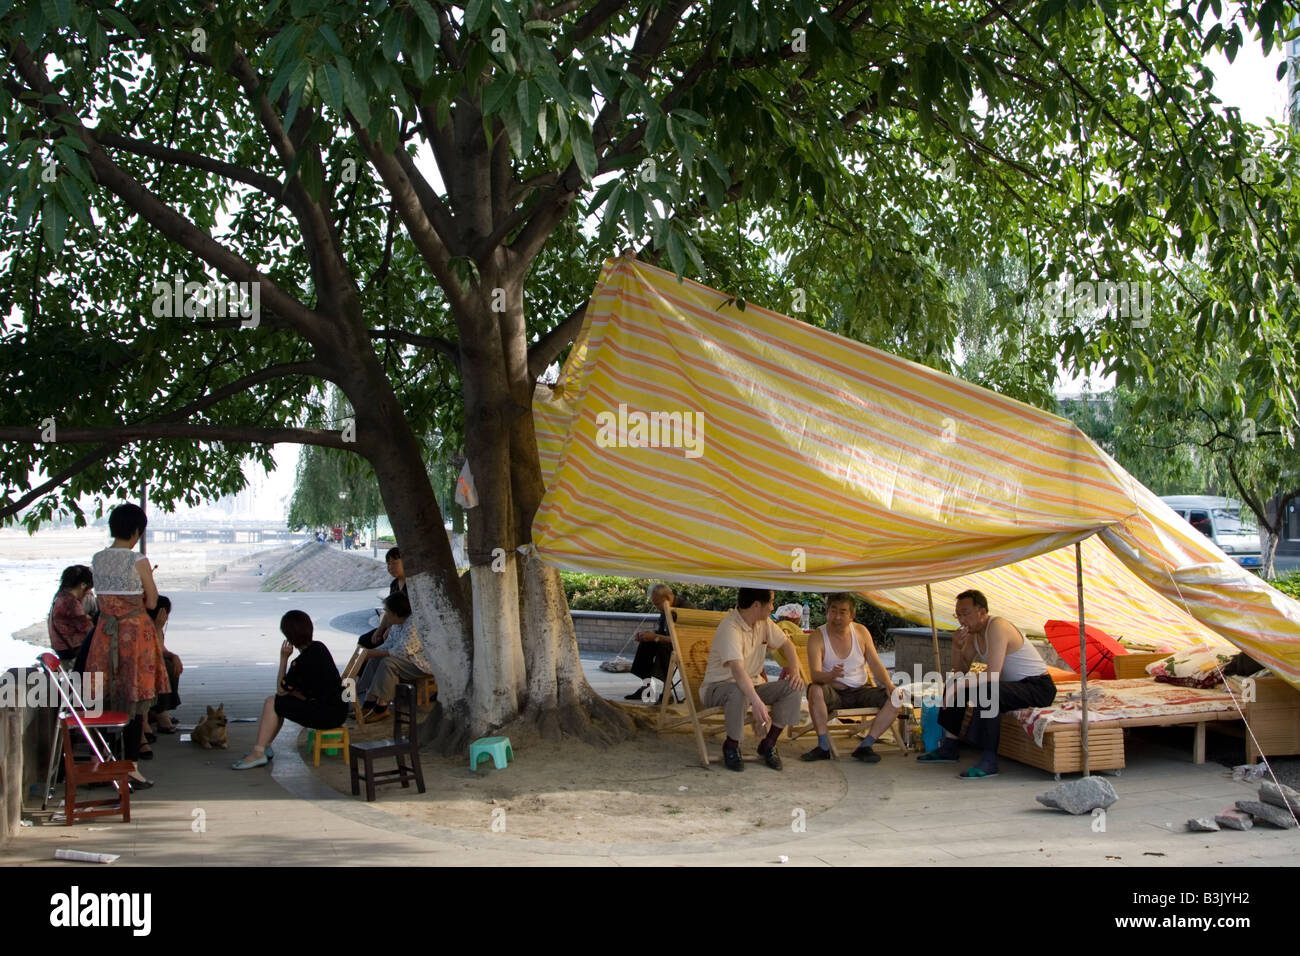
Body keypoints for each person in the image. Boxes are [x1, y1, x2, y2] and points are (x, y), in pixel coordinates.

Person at [917, 589, 1057, 779]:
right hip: (1010, 687)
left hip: (1038, 687)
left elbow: (992, 675)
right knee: (956, 682)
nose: (961, 620)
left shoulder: (997, 626)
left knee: (986, 690)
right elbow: (960, 671)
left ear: (982, 612)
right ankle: (949, 747)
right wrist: (956, 647)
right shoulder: (975, 635)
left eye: (965, 614)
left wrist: (961, 685)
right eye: (958, 615)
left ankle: (989, 760)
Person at [83, 503, 165, 789]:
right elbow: (153, 600)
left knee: (106, 698)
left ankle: (105, 762)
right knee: (134, 701)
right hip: (135, 635)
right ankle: (130, 768)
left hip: (104, 634)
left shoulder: (98, 558)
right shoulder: (138, 560)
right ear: (136, 531)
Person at [698, 587, 805, 771]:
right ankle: (731, 745)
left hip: (751, 686)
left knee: (794, 687)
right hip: (719, 687)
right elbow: (738, 671)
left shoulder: (764, 623)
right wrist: (756, 702)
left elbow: (788, 645)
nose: (772, 607)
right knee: (739, 690)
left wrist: (794, 671)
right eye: (770, 602)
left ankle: (768, 744)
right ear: (757, 605)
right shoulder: (730, 628)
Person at [233, 610, 348, 769]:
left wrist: (283, 658)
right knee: (280, 704)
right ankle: (264, 747)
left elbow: (281, 689)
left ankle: (258, 752)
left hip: (325, 716)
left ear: (289, 637)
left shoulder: (300, 662)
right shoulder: (319, 647)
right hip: (339, 710)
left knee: (273, 702)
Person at [800, 593, 901, 763]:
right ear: (827, 612)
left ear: (851, 616)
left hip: (860, 690)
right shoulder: (818, 637)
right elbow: (815, 676)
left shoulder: (861, 632)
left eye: (842, 612)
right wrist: (830, 675)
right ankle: (823, 746)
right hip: (833, 693)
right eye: (833, 611)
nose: (837, 617)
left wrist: (889, 685)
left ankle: (866, 745)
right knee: (814, 690)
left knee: (897, 697)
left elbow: (875, 664)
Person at [354, 591, 434, 722]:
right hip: (406, 659)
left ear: (396, 614)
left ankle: (381, 706)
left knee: (388, 663)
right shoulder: (397, 624)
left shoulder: (413, 624)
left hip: (420, 663)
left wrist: (375, 652)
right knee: (376, 658)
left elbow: (402, 651)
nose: (386, 615)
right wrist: (371, 653)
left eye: (388, 612)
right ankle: (369, 700)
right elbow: (389, 644)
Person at [624, 583, 679, 701]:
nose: (656, 607)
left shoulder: (683, 608)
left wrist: (655, 637)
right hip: (670, 643)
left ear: (668, 598)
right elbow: (660, 632)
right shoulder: (665, 607)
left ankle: (667, 692)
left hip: (684, 647)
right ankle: (646, 687)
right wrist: (647, 636)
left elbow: (681, 639)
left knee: (663, 648)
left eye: (657, 604)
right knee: (646, 644)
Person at [357, 547, 406, 648]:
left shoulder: (413, 586)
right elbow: (389, 611)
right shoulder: (394, 584)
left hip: (405, 630)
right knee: (364, 640)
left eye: (394, 563)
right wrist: (379, 630)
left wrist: (390, 629)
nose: (390, 567)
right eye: (388, 564)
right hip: (393, 626)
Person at [147, 596, 182, 735]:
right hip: (144, 665)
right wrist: (155, 629)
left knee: (170, 664)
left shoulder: (158, 628)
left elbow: (162, 650)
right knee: (165, 668)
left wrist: (174, 657)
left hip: (153, 661)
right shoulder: (146, 626)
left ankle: (162, 709)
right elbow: (149, 652)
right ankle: (160, 711)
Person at [49, 565, 95, 663]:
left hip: (62, 648)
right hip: (71, 651)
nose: (89, 592)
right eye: (89, 588)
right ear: (83, 585)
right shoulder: (70, 603)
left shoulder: (60, 595)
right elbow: (89, 630)